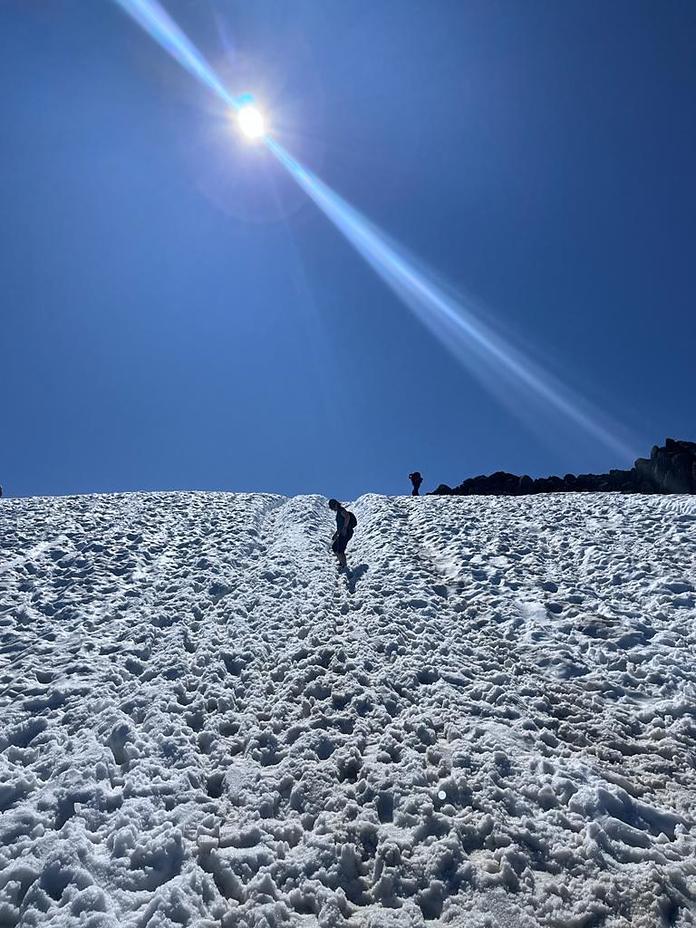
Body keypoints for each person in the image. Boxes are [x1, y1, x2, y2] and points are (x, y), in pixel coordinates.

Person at [328, 498, 356, 568]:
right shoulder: (338, 512)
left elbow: (347, 516)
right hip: (342, 532)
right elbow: (340, 525)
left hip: (347, 532)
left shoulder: (341, 510)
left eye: (332, 507)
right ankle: (342, 563)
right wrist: (336, 534)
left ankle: (344, 566)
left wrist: (345, 528)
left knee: (340, 550)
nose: (332, 509)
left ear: (335, 505)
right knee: (334, 547)